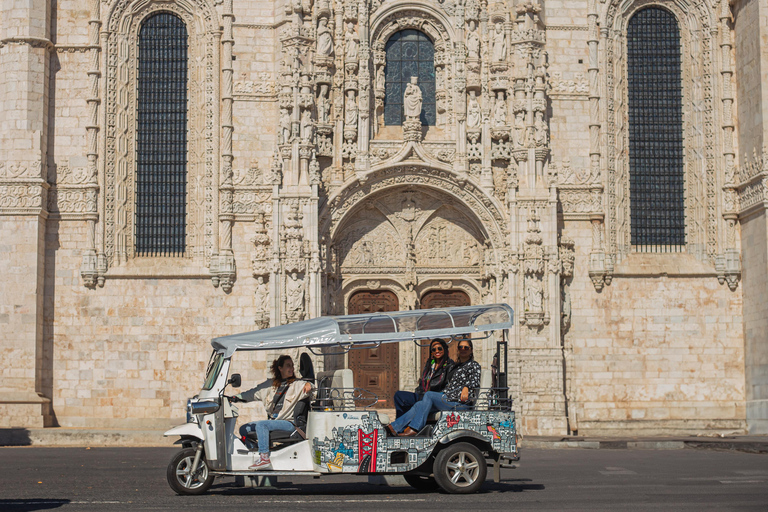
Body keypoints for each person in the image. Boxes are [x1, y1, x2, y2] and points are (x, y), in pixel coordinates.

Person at [232, 355, 314, 470]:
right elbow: (252, 393)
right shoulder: (269, 385)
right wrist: (235, 398)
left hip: (289, 423)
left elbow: (313, 389)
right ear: (280, 368)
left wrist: (309, 384)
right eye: (288, 366)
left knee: (262, 424)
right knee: (243, 429)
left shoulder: (297, 384)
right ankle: (256, 452)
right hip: (273, 421)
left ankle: (264, 458)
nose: (292, 368)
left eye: (292, 366)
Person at [386, 339, 481, 437]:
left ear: (471, 350)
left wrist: (466, 387)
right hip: (447, 398)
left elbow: (475, 380)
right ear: (457, 350)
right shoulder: (456, 366)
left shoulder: (474, 365)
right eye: (460, 347)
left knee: (429, 395)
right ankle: (394, 427)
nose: (463, 349)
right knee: (419, 404)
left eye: (466, 347)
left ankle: (415, 428)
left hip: (459, 403)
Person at [393, 338, 454, 419]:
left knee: (419, 403)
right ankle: (400, 423)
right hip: (421, 395)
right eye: (434, 349)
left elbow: (446, 386)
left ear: (445, 350)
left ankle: (403, 425)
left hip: (434, 398)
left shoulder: (450, 366)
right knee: (399, 396)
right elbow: (423, 381)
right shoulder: (430, 364)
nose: (437, 351)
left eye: (440, 348)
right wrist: (419, 392)